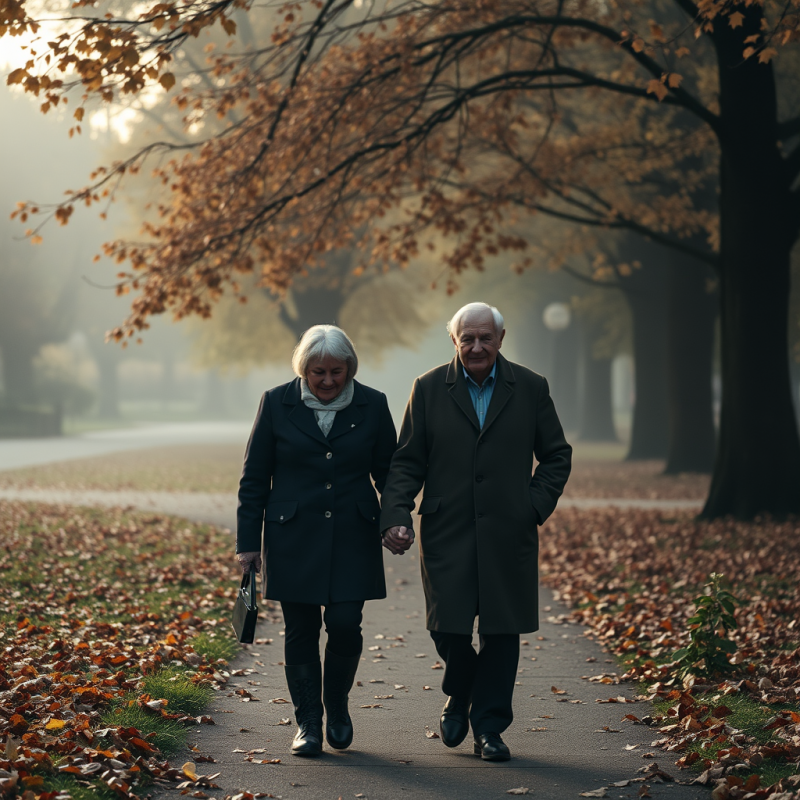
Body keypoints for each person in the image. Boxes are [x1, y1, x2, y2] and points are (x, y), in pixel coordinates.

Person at [380, 302, 572, 762]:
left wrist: (532, 505)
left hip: (511, 531)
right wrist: (396, 514)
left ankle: (489, 729)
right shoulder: (427, 388)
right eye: (467, 338)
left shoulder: (529, 387)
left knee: (502, 632)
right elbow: (407, 461)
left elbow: (556, 455)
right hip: (447, 530)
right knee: (447, 627)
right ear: (454, 341)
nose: (476, 346)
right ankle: (460, 688)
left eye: (485, 337)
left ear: (501, 339)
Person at [236, 324, 397, 757]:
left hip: (353, 534)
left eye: (336, 372)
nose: (327, 381)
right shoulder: (275, 403)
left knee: (345, 624)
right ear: (303, 369)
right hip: (293, 536)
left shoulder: (374, 404)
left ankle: (337, 704)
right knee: (301, 629)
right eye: (317, 371)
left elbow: (390, 474)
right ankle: (308, 722)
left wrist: (395, 519)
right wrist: (248, 543)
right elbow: (254, 479)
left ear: (350, 368)